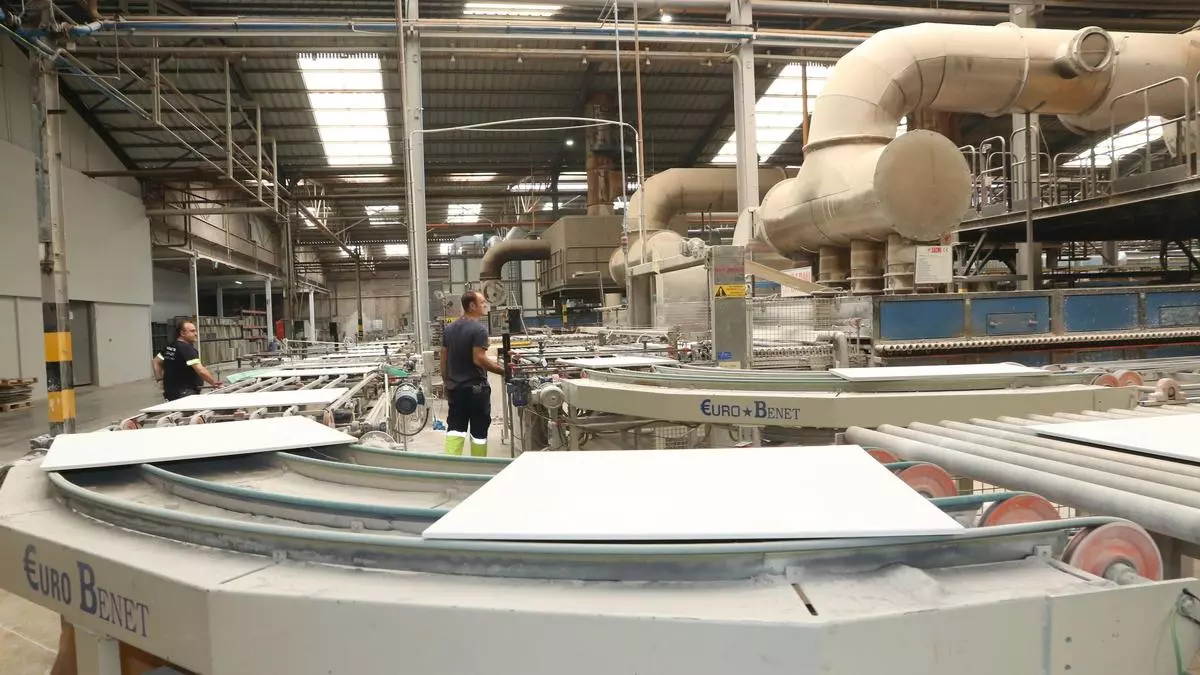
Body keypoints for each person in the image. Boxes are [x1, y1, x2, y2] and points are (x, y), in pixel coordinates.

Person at [440, 290, 505, 457]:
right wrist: (503, 371)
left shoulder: (449, 329)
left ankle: (450, 465)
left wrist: (447, 384)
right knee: (478, 434)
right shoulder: (479, 330)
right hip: (476, 391)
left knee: (455, 430)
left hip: (456, 390)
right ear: (472, 306)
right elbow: (479, 359)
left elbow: (443, 360)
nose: (485, 305)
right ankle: (478, 465)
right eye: (482, 302)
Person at [152, 320, 220, 400]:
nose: (196, 334)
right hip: (185, 393)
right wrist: (214, 383)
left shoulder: (170, 346)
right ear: (182, 333)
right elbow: (200, 370)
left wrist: (160, 379)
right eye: (192, 331)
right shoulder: (186, 348)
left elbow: (156, 361)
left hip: (171, 391)